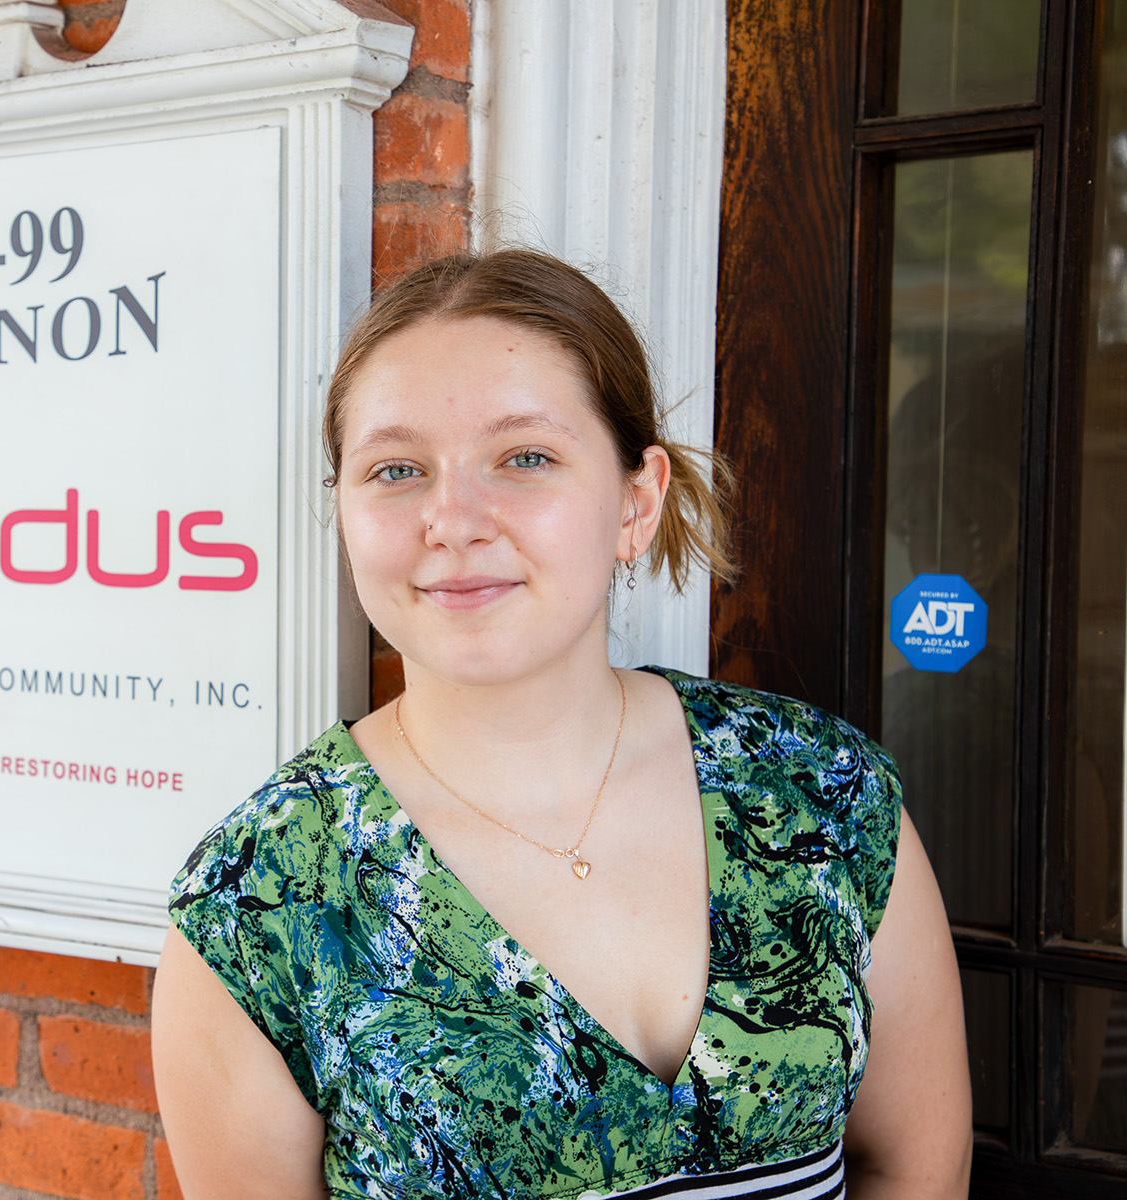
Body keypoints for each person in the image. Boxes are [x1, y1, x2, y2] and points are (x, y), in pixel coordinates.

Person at [150, 251, 971, 1199]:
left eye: (525, 457)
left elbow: (915, 1167)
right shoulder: (262, 906)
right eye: (396, 469)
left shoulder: (822, 792)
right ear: (342, 512)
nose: (452, 520)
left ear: (637, 500)